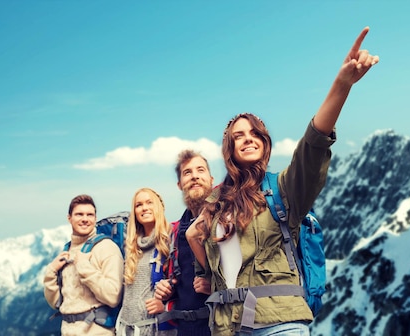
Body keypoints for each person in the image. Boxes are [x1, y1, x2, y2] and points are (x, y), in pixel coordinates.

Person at [186, 27, 380, 335]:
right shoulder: (215, 202)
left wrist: (342, 85)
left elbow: (313, 145)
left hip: (279, 324)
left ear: (264, 142)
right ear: (230, 149)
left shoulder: (283, 189)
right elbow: (203, 256)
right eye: (239, 136)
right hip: (227, 327)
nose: (248, 139)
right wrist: (197, 247)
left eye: (254, 134)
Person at [43, 194, 124, 336]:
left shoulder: (106, 248)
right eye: (79, 214)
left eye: (90, 215)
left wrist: (85, 268)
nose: (85, 219)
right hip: (68, 330)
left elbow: (113, 297)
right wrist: (51, 272)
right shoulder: (66, 251)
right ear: (69, 218)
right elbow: (57, 303)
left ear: (95, 218)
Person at [154, 150, 215, 336]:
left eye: (200, 170)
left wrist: (215, 285)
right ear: (180, 184)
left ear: (211, 179)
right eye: (187, 172)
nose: (195, 176)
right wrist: (167, 289)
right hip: (185, 329)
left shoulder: (226, 221)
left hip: (221, 327)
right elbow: (180, 278)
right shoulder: (176, 231)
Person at [115, 188, 177, 336]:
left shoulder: (171, 240)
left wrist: (166, 306)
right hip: (127, 328)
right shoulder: (132, 246)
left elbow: (184, 285)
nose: (144, 208)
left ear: (160, 207)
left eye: (150, 202)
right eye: (139, 205)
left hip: (157, 329)